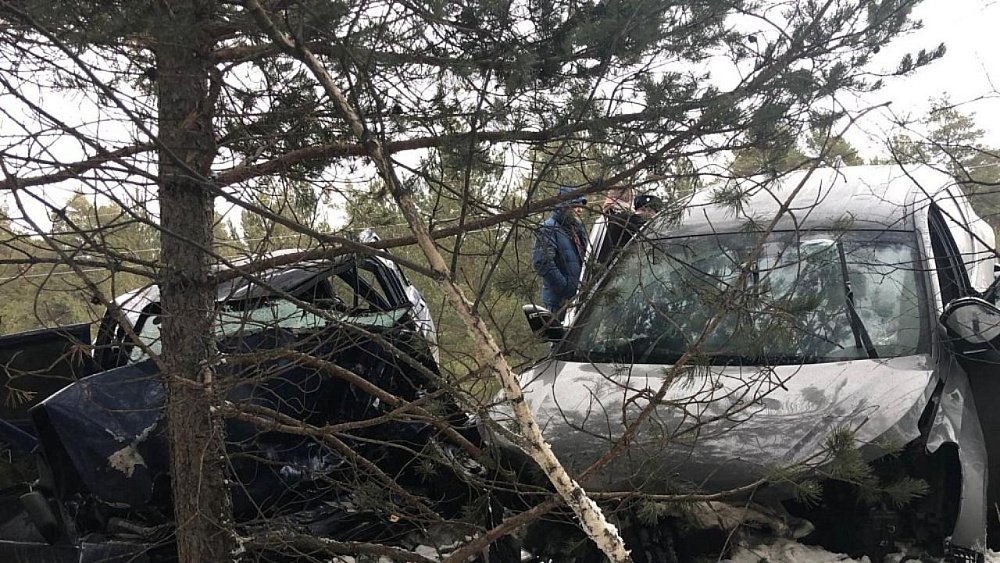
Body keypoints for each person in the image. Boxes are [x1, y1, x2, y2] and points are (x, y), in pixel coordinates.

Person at [532, 187, 588, 320]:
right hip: (559, 304)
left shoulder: (577, 229)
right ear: (564, 205)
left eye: (581, 205)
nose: (580, 209)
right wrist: (566, 288)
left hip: (579, 298)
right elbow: (542, 263)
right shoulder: (548, 228)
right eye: (575, 205)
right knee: (562, 339)